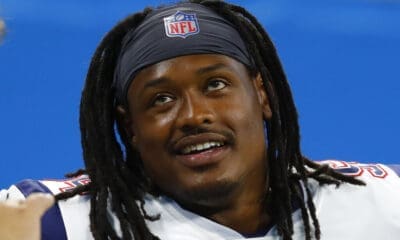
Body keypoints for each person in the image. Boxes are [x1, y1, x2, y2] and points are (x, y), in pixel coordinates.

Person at [1, 1, 400, 239]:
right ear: (130, 129)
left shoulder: (381, 204)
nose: (194, 116)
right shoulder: (53, 221)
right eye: (161, 99)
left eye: (216, 85)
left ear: (262, 95)